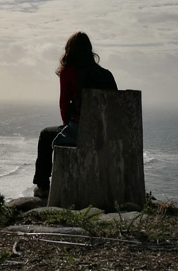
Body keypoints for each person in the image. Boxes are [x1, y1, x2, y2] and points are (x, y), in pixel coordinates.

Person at [32, 32, 117, 199]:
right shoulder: (106, 74)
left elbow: (64, 105)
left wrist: (66, 126)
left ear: (69, 50)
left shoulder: (68, 72)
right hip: (106, 134)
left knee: (45, 135)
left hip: (81, 131)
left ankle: (43, 188)